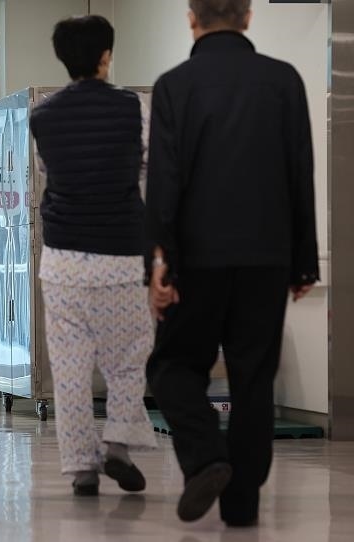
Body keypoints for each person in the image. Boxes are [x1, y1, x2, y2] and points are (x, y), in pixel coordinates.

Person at [145, 0, 319, 526]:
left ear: (191, 18)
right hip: (267, 256)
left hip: (197, 258)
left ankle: (205, 458)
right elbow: (299, 172)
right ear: (247, 17)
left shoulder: (174, 85)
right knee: (253, 378)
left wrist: (159, 261)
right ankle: (241, 507)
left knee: (173, 366)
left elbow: (165, 182)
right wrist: (303, 263)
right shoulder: (284, 81)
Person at [30, 15, 158, 497]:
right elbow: (148, 169)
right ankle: (118, 446)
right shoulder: (133, 108)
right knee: (127, 359)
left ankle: (81, 467)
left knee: (68, 370)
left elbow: (48, 171)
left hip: (62, 260)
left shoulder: (43, 115)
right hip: (119, 257)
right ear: (106, 55)